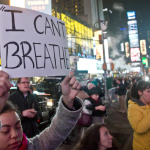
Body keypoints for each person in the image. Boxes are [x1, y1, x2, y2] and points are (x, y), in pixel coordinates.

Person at [0, 71, 83, 150]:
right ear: (18, 84)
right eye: (5, 131)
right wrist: (22, 114)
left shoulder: (30, 147)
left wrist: (68, 101)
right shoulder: (10, 98)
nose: (15, 135)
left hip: (33, 129)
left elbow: (56, 133)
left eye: (18, 127)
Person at [127, 80, 150, 150]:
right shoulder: (133, 107)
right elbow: (138, 128)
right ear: (140, 92)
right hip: (144, 146)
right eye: (148, 91)